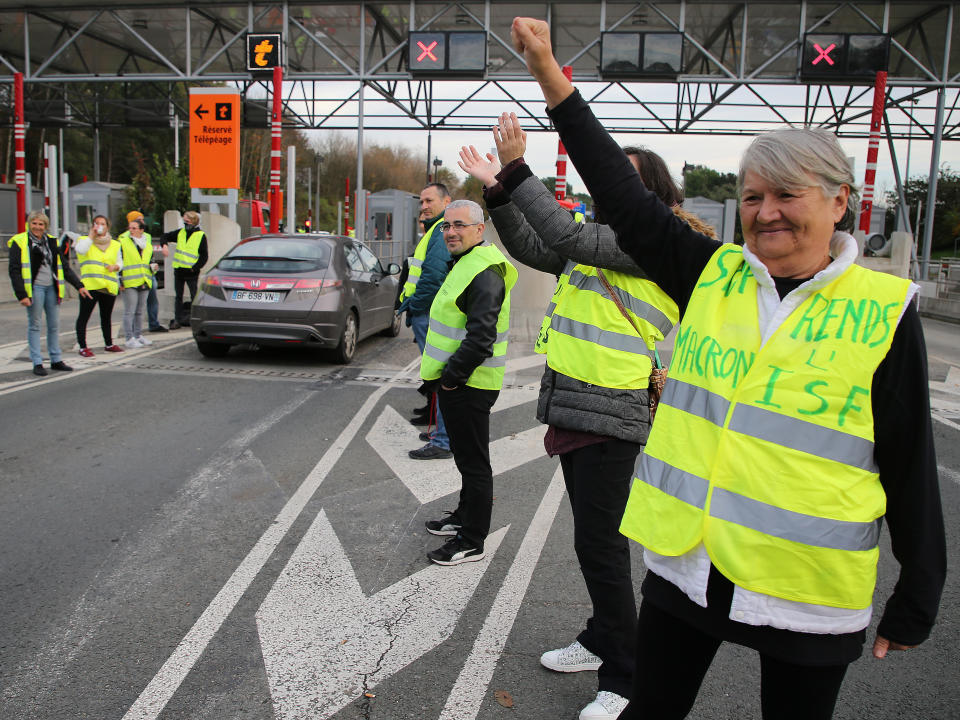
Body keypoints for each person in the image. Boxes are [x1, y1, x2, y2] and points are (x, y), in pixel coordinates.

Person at [510, 17, 946, 720]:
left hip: (807, 588)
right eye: (751, 197)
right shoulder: (709, 274)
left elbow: (907, 454)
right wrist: (549, 75)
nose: (765, 213)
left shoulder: (884, 310)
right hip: (689, 568)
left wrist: (919, 590)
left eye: (786, 195)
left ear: (839, 201)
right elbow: (622, 195)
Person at [459, 114, 715, 720]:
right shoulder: (601, 239)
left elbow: (564, 236)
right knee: (592, 543)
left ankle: (625, 678)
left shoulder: (648, 242)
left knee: (600, 548)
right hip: (580, 406)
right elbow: (531, 245)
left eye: (620, 180)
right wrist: (497, 192)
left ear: (650, 191)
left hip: (613, 409)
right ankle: (603, 637)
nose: (607, 189)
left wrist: (516, 169)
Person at [420, 199, 518, 565]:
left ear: (480, 229)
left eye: (459, 225)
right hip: (462, 382)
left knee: (475, 464)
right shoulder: (469, 262)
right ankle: (463, 518)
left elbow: (481, 338)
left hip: (470, 384)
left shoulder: (484, 271)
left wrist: (451, 378)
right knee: (465, 459)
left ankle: (472, 540)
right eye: (447, 226)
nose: (450, 232)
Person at [398, 183, 454, 459]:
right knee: (439, 376)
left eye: (429, 200)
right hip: (428, 314)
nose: (424, 206)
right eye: (421, 201)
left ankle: (443, 440)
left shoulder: (442, 229)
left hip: (428, 315)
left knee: (441, 377)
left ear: (446, 201)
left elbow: (432, 276)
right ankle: (441, 434)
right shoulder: (436, 229)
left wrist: (416, 308)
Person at [8, 210, 90, 376]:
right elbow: (14, 270)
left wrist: (79, 285)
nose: (38, 227)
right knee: (35, 324)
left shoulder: (51, 242)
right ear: (29, 224)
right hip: (34, 288)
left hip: (52, 288)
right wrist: (22, 295)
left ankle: (56, 359)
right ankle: (37, 362)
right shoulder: (20, 242)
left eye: (41, 224)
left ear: (46, 226)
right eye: (34, 223)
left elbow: (64, 267)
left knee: (54, 325)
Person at [75, 214, 124, 357]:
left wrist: (116, 267)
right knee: (84, 316)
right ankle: (83, 346)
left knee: (106, 316)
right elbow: (81, 250)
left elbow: (120, 262)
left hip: (108, 285)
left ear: (107, 227)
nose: (99, 226)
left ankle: (109, 343)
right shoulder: (84, 240)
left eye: (102, 224)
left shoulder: (115, 244)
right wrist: (91, 235)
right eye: (96, 223)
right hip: (90, 285)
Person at [159, 210, 208, 329]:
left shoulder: (200, 236)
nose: (185, 224)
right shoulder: (181, 232)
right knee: (178, 296)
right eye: (184, 221)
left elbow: (204, 256)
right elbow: (165, 236)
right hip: (179, 270)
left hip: (191, 272)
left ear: (194, 221)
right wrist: (164, 245)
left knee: (194, 296)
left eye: (187, 221)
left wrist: (194, 268)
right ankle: (178, 319)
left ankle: (195, 318)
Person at [117, 216, 155, 348]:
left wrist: (153, 266)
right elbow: (119, 261)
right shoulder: (123, 242)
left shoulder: (147, 244)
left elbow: (149, 260)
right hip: (129, 281)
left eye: (134, 228)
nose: (131, 230)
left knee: (140, 311)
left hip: (144, 280)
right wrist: (120, 281)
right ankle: (129, 338)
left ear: (141, 230)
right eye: (130, 228)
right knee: (129, 311)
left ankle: (138, 335)